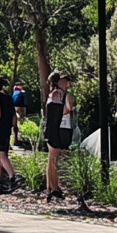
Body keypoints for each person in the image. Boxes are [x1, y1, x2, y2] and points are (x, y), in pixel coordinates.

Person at [44, 71, 75, 202]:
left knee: (52, 159)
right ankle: (54, 188)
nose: (68, 83)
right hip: (59, 129)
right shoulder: (60, 95)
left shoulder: (54, 95)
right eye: (65, 80)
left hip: (55, 128)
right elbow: (66, 110)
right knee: (54, 159)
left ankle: (51, 187)